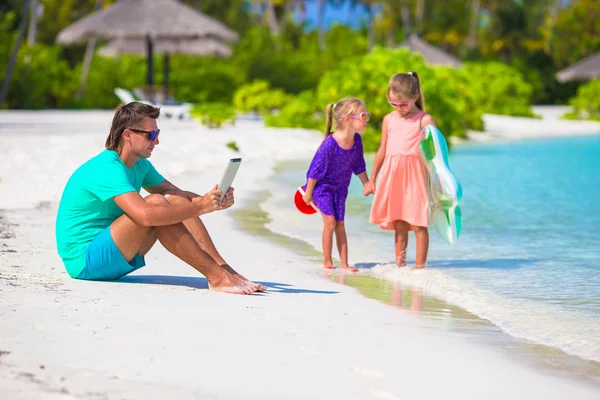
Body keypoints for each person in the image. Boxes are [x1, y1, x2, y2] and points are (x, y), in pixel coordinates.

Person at [55, 102, 266, 295]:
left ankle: (223, 270)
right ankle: (217, 277)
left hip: (114, 253)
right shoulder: (106, 168)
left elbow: (178, 197)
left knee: (171, 200)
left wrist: (211, 201)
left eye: (157, 133)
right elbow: (146, 216)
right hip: (85, 261)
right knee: (155, 204)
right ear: (127, 135)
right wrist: (200, 206)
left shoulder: (139, 164)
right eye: (151, 134)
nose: (157, 140)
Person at [363, 71, 435, 268]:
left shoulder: (424, 120)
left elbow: (436, 154)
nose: (399, 108)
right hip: (392, 174)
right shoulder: (389, 119)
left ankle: (420, 268)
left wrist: (440, 183)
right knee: (400, 222)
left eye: (403, 104)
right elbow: (382, 150)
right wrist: (372, 179)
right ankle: (400, 266)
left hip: (416, 176)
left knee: (419, 221)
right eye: (394, 104)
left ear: (415, 97)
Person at [302, 97, 370, 272]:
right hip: (322, 188)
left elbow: (359, 165)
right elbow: (314, 171)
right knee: (330, 222)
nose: (367, 119)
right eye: (363, 116)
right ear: (348, 119)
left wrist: (367, 183)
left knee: (340, 224)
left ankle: (345, 264)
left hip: (340, 189)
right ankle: (327, 261)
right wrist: (308, 193)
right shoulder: (330, 144)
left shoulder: (357, 141)